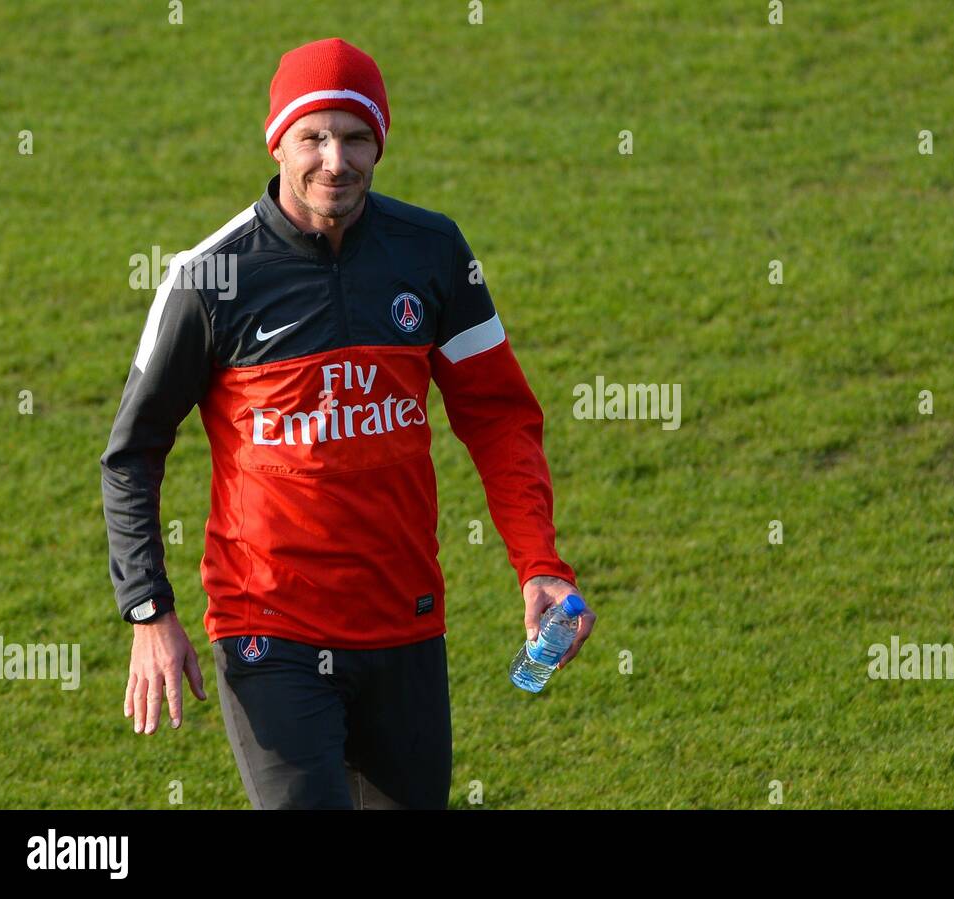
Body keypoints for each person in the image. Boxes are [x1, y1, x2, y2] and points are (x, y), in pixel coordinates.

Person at [100, 37, 595, 809]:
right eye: (315, 137)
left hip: (404, 622)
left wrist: (538, 561)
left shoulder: (433, 252)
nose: (336, 160)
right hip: (269, 627)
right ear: (279, 142)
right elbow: (132, 452)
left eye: (357, 136)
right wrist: (148, 611)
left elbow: (498, 417)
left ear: (381, 142)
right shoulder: (209, 278)